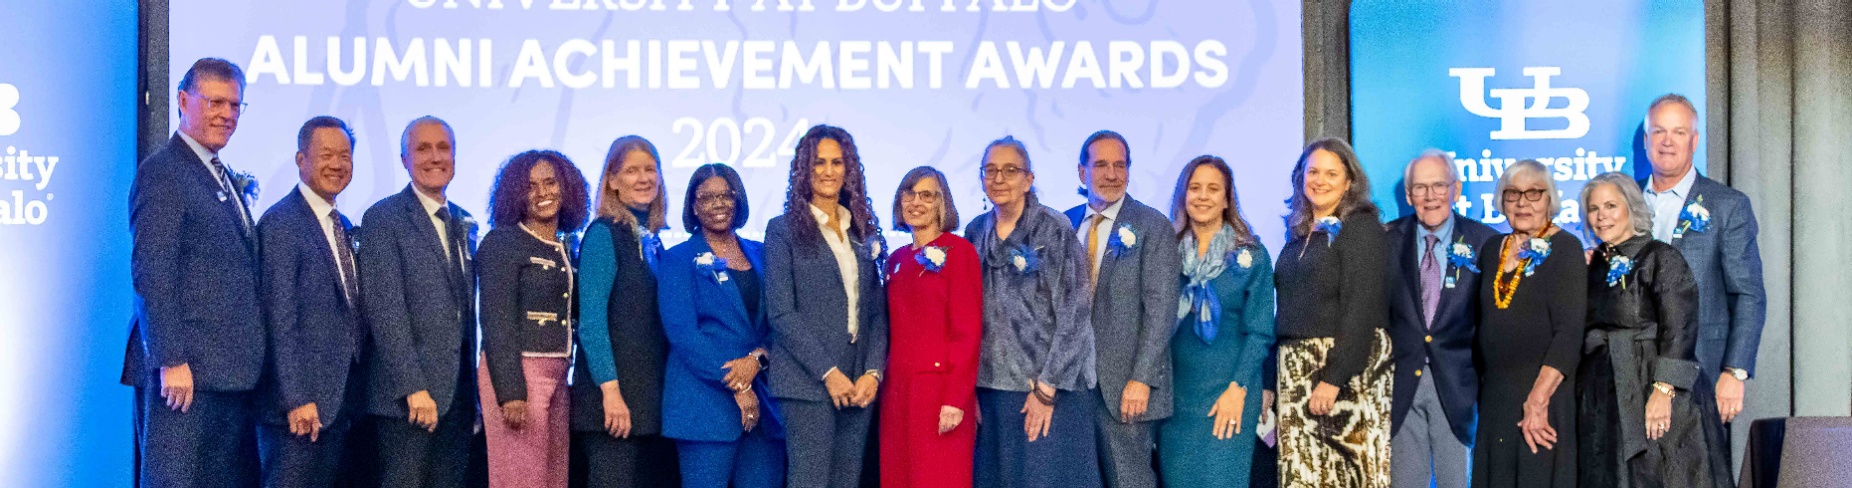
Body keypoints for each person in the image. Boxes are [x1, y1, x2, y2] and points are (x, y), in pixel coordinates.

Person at [123, 57, 263, 488]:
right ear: (183, 100)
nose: (227, 114)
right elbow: (152, 271)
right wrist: (171, 359)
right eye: (216, 102)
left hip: (224, 375)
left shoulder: (218, 174)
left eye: (236, 105)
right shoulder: (165, 171)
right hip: (183, 377)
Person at [1577, 172, 1731, 488]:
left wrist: (1663, 391)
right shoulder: (1593, 266)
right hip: (1606, 394)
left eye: (1610, 205)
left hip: (1656, 389)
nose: (1601, 215)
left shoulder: (1660, 256)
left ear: (1632, 208)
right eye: (1594, 208)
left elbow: (1681, 327)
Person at [966, 136, 1102, 488]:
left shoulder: (1053, 229)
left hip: (1047, 393)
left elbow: (1074, 313)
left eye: (1010, 170)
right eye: (990, 170)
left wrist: (1046, 389)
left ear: (1028, 179)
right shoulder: (974, 231)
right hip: (992, 392)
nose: (999, 179)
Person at [360, 116, 484, 488]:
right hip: (408, 400)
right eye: (423, 148)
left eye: (443, 148)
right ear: (404, 160)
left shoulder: (463, 220)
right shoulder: (383, 218)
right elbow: (386, 312)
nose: (434, 157)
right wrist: (413, 387)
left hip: (458, 397)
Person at [764, 124, 890, 488]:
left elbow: (877, 313)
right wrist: (828, 373)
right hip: (808, 382)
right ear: (804, 169)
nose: (829, 171)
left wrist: (873, 372)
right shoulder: (782, 230)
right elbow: (781, 313)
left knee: (846, 481)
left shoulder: (861, 230)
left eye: (837, 162)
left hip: (858, 380)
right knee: (810, 481)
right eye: (819, 162)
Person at [1637, 94, 1766, 432]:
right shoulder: (1624, 202)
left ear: (1694, 141)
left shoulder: (1728, 206)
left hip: (1701, 375)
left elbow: (1748, 294)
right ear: (1646, 140)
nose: (1667, 142)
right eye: (1659, 132)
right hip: (1634, 375)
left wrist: (1734, 371)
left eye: (1679, 132)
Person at [254, 116, 368, 487]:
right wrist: (296, 398)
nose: (337, 165)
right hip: (299, 410)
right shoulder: (281, 223)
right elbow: (279, 318)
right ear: (301, 159)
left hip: (340, 406)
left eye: (345, 156)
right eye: (326, 155)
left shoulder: (344, 224)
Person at [1062, 131, 1180, 488]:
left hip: (1125, 388)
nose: (1112, 174)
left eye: (1120, 165)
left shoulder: (1152, 225)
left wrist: (1141, 379)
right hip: (1069, 387)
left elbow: (1162, 310)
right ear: (1082, 172)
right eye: (1101, 165)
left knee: (1129, 481)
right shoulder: (1062, 224)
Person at [1273, 138, 1393, 487]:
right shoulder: (1297, 233)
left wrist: (1334, 377)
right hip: (1297, 373)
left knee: (1350, 477)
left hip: (1344, 371)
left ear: (1349, 181)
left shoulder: (1361, 227)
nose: (1320, 180)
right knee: (1305, 476)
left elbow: (1362, 306)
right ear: (1301, 177)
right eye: (1313, 172)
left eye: (1331, 173)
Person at [659, 163, 787, 488]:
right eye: (707, 197)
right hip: (705, 408)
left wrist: (757, 360)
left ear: (738, 198)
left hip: (764, 407)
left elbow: (781, 321)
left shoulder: (763, 254)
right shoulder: (677, 260)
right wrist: (739, 384)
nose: (718, 204)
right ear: (693, 206)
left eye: (726, 195)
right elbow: (684, 335)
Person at [1155, 155, 1275, 488]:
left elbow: (1260, 333)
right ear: (1183, 196)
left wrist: (1237, 390)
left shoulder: (1251, 256)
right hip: (1175, 400)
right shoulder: (1165, 253)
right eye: (1195, 188)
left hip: (1229, 394)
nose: (1203, 196)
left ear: (1226, 199)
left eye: (1213, 189)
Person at [476, 149, 591, 488]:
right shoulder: (502, 242)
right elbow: (496, 321)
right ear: (515, 194)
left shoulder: (565, 246)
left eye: (551, 182)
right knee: (520, 479)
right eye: (531, 186)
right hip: (519, 374)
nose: (543, 193)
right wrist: (511, 391)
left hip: (558, 374)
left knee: (554, 478)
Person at [1385, 150, 1498, 488]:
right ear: (1408, 196)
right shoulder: (1386, 239)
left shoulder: (1486, 241)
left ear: (1456, 190)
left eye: (1438, 185)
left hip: (1460, 387)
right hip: (1400, 387)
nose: (1430, 196)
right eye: (1420, 188)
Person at [571, 136, 679, 488]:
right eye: (632, 170)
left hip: (648, 401)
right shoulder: (603, 235)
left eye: (651, 169)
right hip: (613, 404)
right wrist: (611, 392)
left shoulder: (654, 240)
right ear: (612, 181)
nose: (644, 178)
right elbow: (591, 323)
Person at [1472, 159, 1585, 488]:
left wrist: (1537, 401)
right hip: (1496, 399)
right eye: (1513, 193)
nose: (1522, 202)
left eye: (1534, 193)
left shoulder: (1566, 248)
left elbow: (1569, 333)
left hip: (1541, 399)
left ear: (1549, 199)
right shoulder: (1493, 247)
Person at [880, 166, 983, 488]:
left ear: (943, 203)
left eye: (927, 195)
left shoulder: (960, 252)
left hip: (939, 394)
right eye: (908, 194)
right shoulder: (895, 259)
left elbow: (967, 332)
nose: (916, 202)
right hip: (897, 392)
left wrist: (955, 399)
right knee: (898, 477)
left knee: (937, 478)